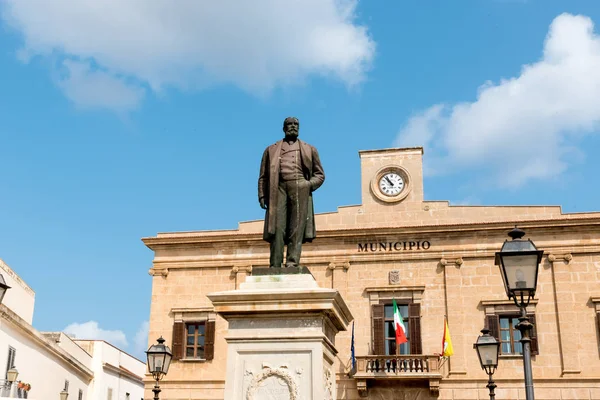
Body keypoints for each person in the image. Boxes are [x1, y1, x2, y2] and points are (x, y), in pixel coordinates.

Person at [258, 117, 325, 268]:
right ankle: (275, 264)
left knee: (296, 227)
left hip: (299, 186)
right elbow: (263, 176)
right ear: (284, 128)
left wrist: (307, 185)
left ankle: (292, 262)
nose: (293, 127)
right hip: (278, 188)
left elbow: (320, 174)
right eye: (289, 124)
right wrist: (262, 194)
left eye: (296, 124)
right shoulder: (271, 149)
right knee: (277, 227)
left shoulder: (309, 149)